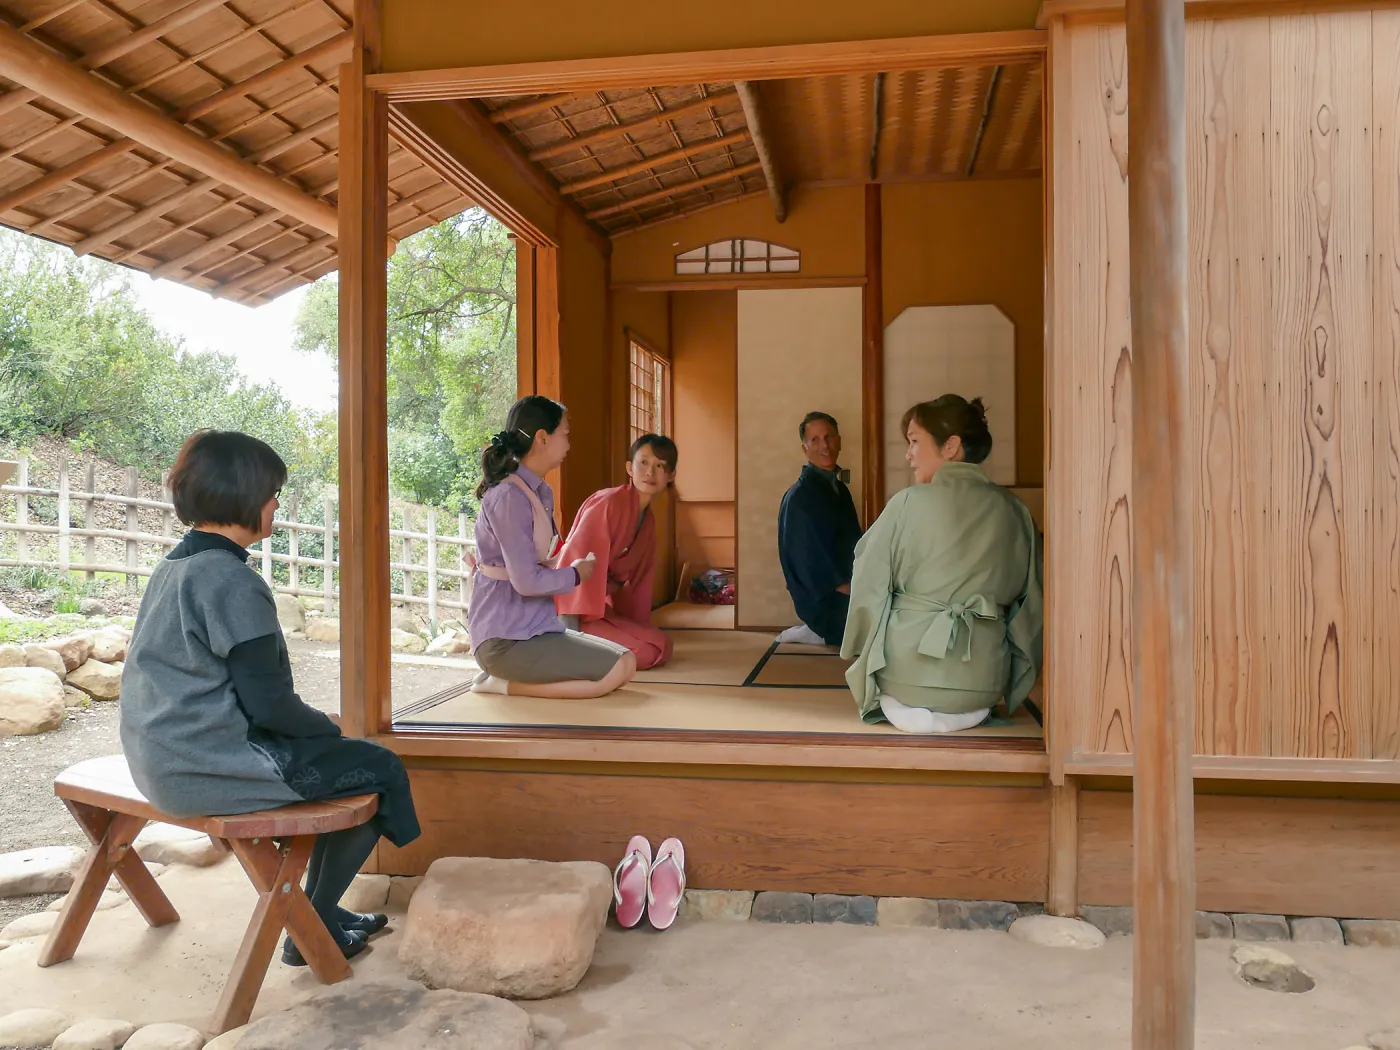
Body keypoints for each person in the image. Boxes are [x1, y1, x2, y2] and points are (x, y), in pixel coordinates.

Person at [120, 430, 420, 968]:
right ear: (244, 494)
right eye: (273, 491)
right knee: (377, 768)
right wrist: (330, 727)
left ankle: (320, 913)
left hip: (159, 757)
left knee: (343, 763)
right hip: (205, 765)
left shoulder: (175, 568)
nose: (277, 503)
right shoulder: (230, 580)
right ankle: (309, 925)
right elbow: (271, 708)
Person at [841, 395, 1043, 733]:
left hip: (907, 680)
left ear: (950, 446)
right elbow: (1031, 608)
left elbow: (868, 584)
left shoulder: (906, 503)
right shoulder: (1016, 512)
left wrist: (860, 653)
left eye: (914, 441)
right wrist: (1015, 678)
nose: (908, 454)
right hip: (983, 685)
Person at [467, 395, 638, 697]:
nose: (569, 445)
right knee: (618, 668)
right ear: (542, 439)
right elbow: (526, 581)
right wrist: (574, 575)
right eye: (566, 435)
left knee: (626, 662)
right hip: (506, 640)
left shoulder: (539, 491)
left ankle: (504, 683)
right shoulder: (509, 497)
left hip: (536, 628)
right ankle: (502, 685)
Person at [554, 434, 678, 669]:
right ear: (630, 468)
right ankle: (567, 647)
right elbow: (575, 560)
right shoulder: (608, 503)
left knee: (661, 644)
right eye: (644, 463)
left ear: (670, 475)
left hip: (598, 610)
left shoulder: (648, 521)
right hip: (571, 612)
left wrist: (636, 625)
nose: (651, 472)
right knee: (646, 652)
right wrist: (568, 632)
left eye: (660, 466)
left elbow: (640, 582)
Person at [776, 411, 863, 646]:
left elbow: (854, 542)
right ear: (805, 449)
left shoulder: (839, 489)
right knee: (873, 631)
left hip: (849, 587)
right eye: (815, 440)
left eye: (829, 436)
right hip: (823, 598)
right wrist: (848, 588)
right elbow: (807, 559)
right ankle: (816, 630)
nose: (824, 445)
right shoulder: (800, 497)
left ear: (839, 440)